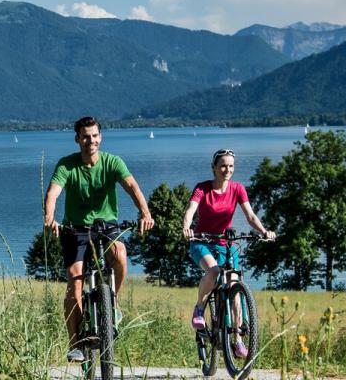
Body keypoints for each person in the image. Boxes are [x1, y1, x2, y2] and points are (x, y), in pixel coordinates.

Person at [43, 116, 155, 363]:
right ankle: (75, 344)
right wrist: (50, 217)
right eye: (85, 136)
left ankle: (112, 302)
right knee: (74, 283)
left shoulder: (112, 162)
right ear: (77, 139)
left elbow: (132, 187)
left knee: (121, 255)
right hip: (75, 230)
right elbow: (53, 192)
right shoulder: (67, 165)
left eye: (94, 136)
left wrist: (145, 213)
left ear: (100, 138)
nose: (90, 141)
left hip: (106, 228)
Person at [180, 148, 275, 360]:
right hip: (202, 242)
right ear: (213, 168)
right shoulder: (202, 189)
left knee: (234, 285)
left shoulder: (238, 189)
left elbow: (250, 215)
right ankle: (199, 308)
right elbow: (190, 210)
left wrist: (264, 231)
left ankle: (238, 339)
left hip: (226, 244)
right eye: (223, 165)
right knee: (213, 272)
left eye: (231, 166)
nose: (227, 170)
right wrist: (187, 227)